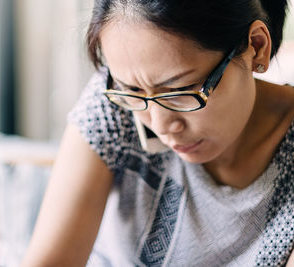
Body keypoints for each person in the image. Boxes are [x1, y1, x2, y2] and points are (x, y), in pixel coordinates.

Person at [22, 0, 294, 266]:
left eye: (180, 91)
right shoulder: (114, 105)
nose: (160, 125)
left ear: (256, 47)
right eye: (133, 90)